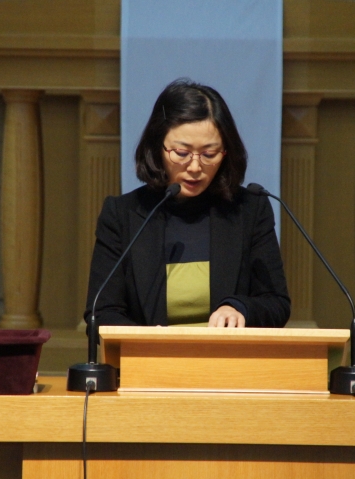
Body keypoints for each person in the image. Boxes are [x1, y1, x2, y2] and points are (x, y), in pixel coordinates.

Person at [83, 79, 290, 329]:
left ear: (226, 152)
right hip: (150, 354)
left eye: (209, 154)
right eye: (181, 153)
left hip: (228, 354)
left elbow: (276, 303)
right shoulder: (122, 215)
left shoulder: (250, 210)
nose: (194, 167)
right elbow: (101, 312)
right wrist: (144, 340)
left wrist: (240, 308)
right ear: (157, 147)